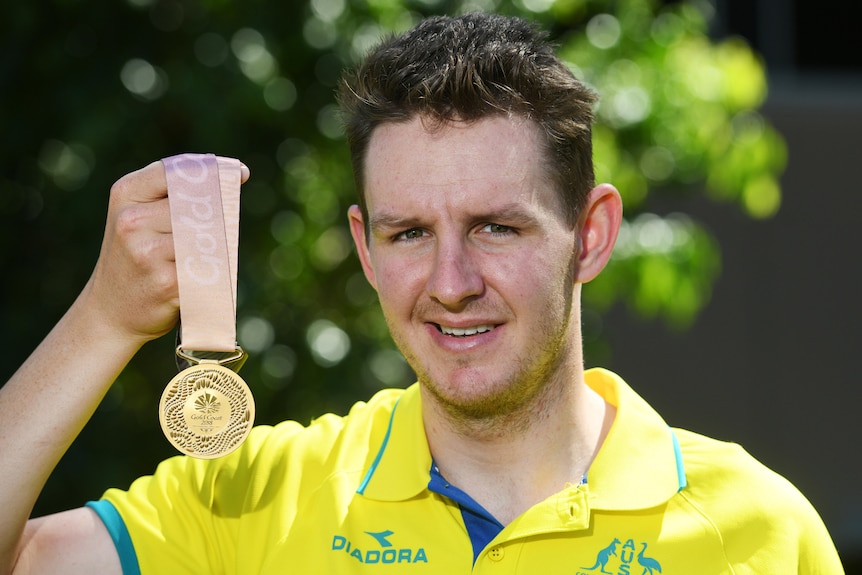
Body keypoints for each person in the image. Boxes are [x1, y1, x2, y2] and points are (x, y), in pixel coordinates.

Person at [0, 12, 843, 575]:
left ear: (590, 234)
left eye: (495, 228)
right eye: (410, 234)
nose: (450, 285)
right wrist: (104, 320)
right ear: (367, 248)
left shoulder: (761, 530)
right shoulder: (257, 493)